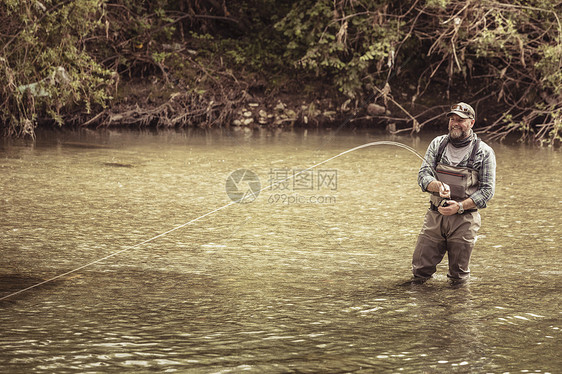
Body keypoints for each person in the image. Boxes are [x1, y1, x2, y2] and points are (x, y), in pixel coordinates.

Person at [412, 102, 496, 283]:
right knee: (420, 272)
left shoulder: (484, 152)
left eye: (460, 120)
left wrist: (459, 206)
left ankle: (457, 308)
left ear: (471, 123)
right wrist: (436, 186)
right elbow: (422, 176)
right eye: (452, 119)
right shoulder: (437, 144)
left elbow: (487, 191)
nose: (455, 123)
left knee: (458, 278)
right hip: (435, 216)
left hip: (464, 221)